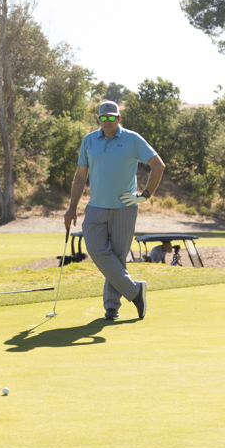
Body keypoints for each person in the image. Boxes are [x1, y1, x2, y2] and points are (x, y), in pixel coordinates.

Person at [64, 100, 165, 321]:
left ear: (119, 118)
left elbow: (158, 165)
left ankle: (112, 307)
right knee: (96, 249)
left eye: (112, 117)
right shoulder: (89, 140)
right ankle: (135, 291)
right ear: (98, 118)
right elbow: (80, 176)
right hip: (95, 207)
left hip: (124, 208)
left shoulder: (132, 139)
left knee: (118, 257)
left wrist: (144, 195)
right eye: (104, 117)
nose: (108, 121)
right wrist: (72, 208)